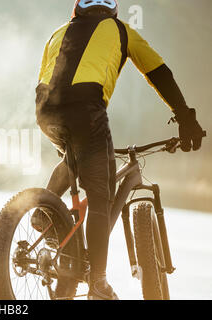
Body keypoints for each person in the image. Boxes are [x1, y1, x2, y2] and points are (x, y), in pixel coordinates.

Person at [32, 0, 204, 300]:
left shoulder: (57, 32)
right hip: (86, 111)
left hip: (45, 111)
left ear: (77, 9)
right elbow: (158, 73)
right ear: (112, 9)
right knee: (101, 193)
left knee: (76, 154)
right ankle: (98, 283)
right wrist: (185, 118)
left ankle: (44, 211)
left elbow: (45, 80)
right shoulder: (122, 31)